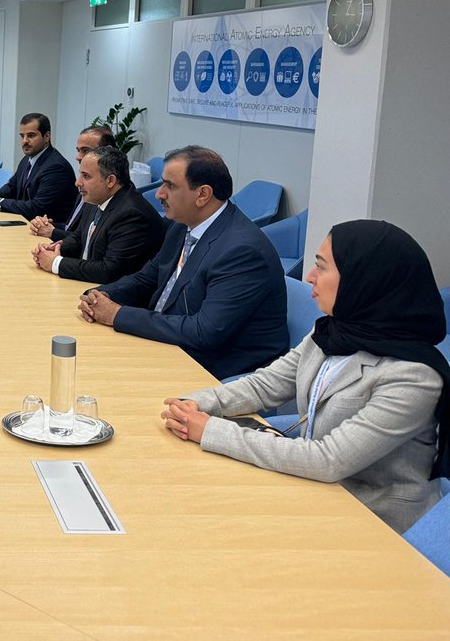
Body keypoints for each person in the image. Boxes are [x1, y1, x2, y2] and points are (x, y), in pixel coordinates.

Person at [162, 220, 450, 534]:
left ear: (364, 281)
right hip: (314, 489)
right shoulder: (332, 332)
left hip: (373, 521)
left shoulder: (413, 377)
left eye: (322, 267)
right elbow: (265, 385)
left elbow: (328, 460)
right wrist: (192, 404)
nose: (310, 276)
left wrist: (210, 430)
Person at [78, 145, 287, 379]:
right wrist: (101, 295)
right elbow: (147, 278)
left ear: (203, 194)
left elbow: (203, 332)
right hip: (170, 346)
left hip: (213, 368)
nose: (159, 194)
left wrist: (117, 315)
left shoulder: (243, 252)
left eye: (170, 186)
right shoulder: (181, 226)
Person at [32, 145, 165, 284]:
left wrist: (56, 263)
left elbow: (109, 271)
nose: (77, 182)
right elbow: (79, 238)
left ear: (110, 181)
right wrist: (57, 248)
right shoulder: (96, 198)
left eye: (86, 176)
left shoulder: (131, 214)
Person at [0, 113, 77, 223]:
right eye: (22, 136)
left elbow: (37, 208)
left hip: (47, 228)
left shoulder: (56, 167)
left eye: (31, 135)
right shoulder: (27, 160)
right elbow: (13, 186)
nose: (25, 141)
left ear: (47, 136)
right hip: (26, 221)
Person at [29, 124, 116, 241]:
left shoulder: (102, 192)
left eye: (85, 151)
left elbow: (87, 240)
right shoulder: (86, 185)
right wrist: (46, 226)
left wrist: (52, 232)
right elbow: (72, 229)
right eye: (78, 150)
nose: (78, 157)